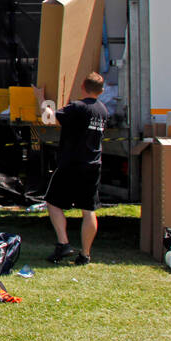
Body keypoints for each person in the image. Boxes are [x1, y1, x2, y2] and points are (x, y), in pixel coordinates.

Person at [44, 71, 109, 265]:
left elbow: (49, 118)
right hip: (93, 164)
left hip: (71, 163)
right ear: (102, 91)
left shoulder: (77, 106)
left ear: (82, 87)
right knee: (88, 210)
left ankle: (63, 243)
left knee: (52, 202)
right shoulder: (103, 111)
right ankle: (85, 254)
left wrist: (43, 100)